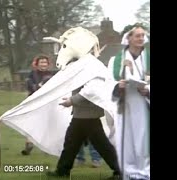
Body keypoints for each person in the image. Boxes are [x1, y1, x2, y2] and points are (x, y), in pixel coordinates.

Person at [46, 28, 121, 180]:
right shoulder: (83, 63)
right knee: (71, 142)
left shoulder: (92, 66)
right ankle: (63, 170)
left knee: (100, 145)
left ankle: (120, 171)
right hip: (82, 114)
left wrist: (71, 101)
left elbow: (91, 90)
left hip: (88, 114)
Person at [107, 23, 150, 180]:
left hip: (144, 106)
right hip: (125, 105)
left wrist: (148, 90)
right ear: (129, 38)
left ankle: (145, 172)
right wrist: (119, 85)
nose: (141, 38)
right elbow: (109, 81)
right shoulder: (116, 60)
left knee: (143, 139)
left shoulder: (149, 58)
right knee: (126, 140)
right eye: (137, 35)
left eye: (142, 36)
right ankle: (129, 171)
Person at [21, 54, 53, 155]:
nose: (43, 64)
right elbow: (31, 87)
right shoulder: (32, 74)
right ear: (37, 64)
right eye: (41, 62)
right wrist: (38, 87)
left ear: (48, 64)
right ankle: (29, 143)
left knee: (46, 124)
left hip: (47, 103)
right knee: (32, 123)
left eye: (45, 62)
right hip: (33, 102)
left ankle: (45, 147)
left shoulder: (51, 75)